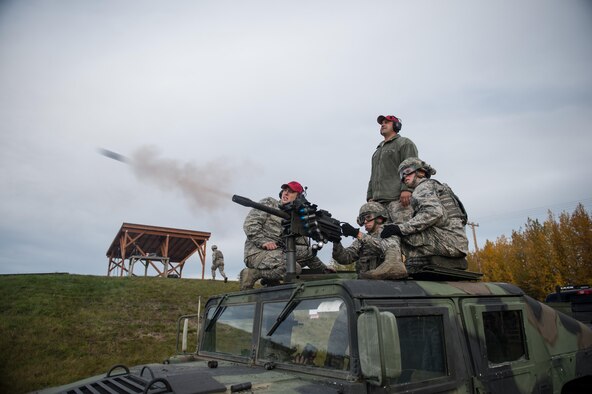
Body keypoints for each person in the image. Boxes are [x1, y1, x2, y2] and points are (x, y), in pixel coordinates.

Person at [380, 158, 469, 270]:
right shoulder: (435, 186)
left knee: (389, 230)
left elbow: (433, 212)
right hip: (457, 243)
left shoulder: (423, 187)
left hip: (448, 242)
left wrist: (400, 228)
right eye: (401, 175)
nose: (404, 177)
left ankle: (392, 267)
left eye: (407, 171)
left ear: (421, 172)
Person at [240, 181, 329, 290]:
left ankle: (271, 278)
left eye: (291, 192)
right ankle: (253, 273)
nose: (285, 193)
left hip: (278, 252)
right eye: (285, 190)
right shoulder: (269, 203)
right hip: (257, 252)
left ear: (298, 197)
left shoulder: (297, 217)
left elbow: (306, 251)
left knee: (309, 251)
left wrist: (324, 269)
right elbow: (250, 225)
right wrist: (263, 242)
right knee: (292, 268)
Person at [333, 202, 407, 279]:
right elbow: (345, 258)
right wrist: (336, 241)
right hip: (366, 283)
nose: (365, 222)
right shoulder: (362, 238)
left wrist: (357, 234)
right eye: (362, 219)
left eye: (368, 217)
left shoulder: (389, 232)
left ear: (379, 218)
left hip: (386, 282)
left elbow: (387, 249)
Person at [367, 114, 418, 224]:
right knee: (382, 239)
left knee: (403, 233)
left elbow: (411, 166)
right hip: (378, 204)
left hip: (398, 200)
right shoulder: (377, 151)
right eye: (382, 123)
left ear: (396, 125)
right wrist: (370, 196)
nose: (383, 125)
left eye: (387, 122)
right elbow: (373, 175)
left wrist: (406, 189)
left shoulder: (404, 143)